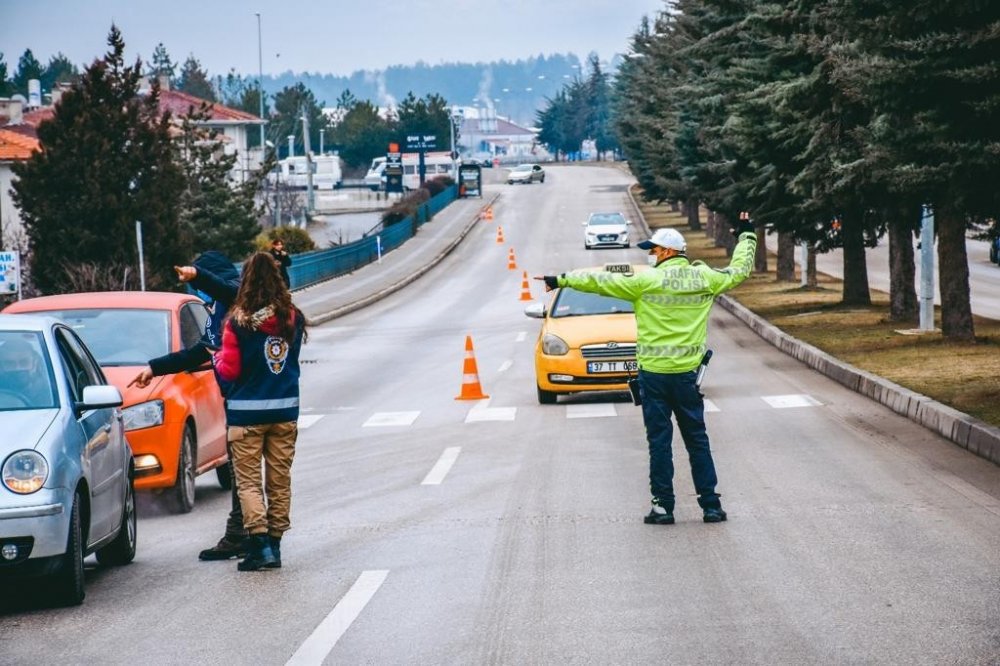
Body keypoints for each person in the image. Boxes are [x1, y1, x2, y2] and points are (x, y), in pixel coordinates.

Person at [538, 213, 757, 524]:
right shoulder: (706, 278)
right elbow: (739, 269)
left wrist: (561, 280)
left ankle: (663, 508)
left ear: (667, 251)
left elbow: (601, 282)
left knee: (659, 443)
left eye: (653, 250)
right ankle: (710, 505)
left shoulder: (646, 282)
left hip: (653, 377)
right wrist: (747, 235)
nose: (651, 255)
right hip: (687, 376)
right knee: (697, 440)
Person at [128, 250, 248, 561]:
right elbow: (201, 353)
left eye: (200, 286)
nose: (199, 292)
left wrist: (198, 276)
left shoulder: (240, 297)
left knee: (247, 475)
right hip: (236, 402)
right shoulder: (218, 307)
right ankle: (245, 535)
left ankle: (254, 538)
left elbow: (228, 290)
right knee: (243, 475)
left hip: (249, 401)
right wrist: (155, 367)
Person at [212, 252, 306, 572]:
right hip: (285, 411)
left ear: (246, 281)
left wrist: (216, 361)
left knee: (249, 483)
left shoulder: (237, 323)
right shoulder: (292, 318)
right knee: (279, 481)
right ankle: (276, 547)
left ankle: (260, 546)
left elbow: (230, 371)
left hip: (246, 415)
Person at [0, 337, 52, 407]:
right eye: (10, 363)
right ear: (1, 366)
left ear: (35, 363)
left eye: (24, 362)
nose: (17, 368)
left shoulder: (52, 394)